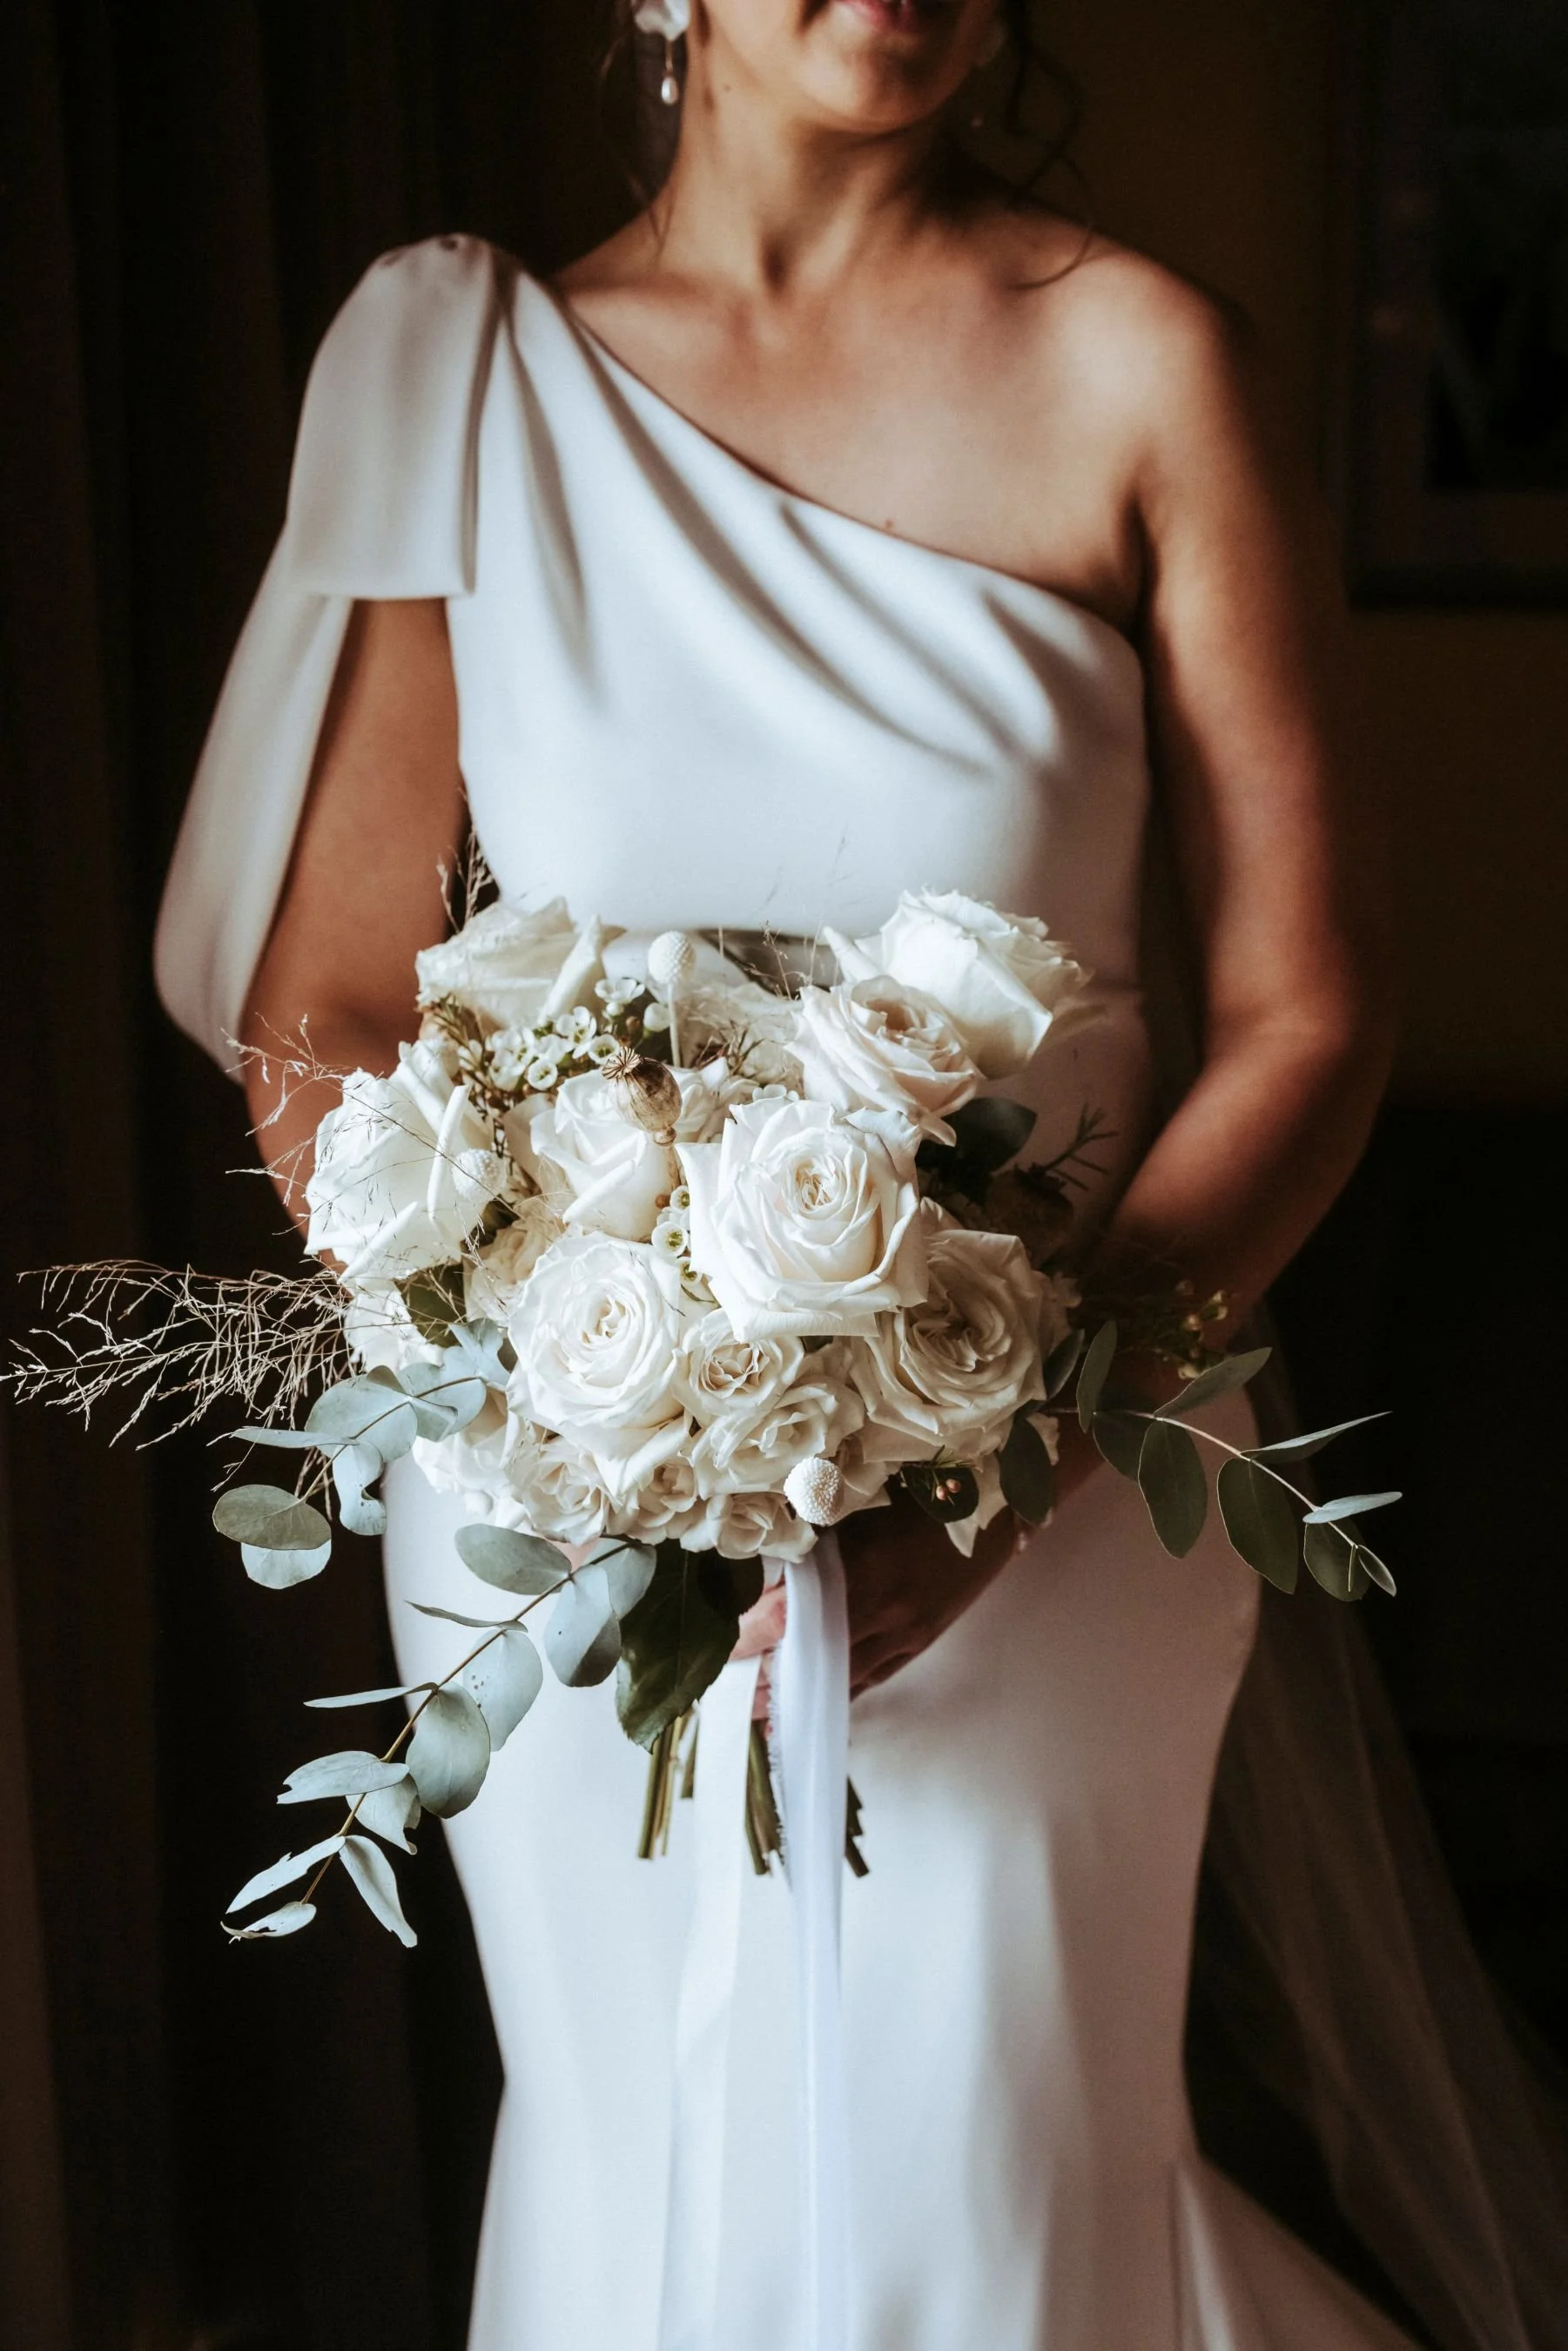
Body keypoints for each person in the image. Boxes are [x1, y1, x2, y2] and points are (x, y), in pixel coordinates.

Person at [152, 2, 1566, 2346]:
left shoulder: (1140, 369)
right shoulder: (461, 373)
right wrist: (548, 1388)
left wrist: (1006, 1472)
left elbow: (1313, 1010)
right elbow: (332, 1001)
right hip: (570, 1481)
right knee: (640, 2178)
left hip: (1075, 1476)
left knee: (980, 2170)